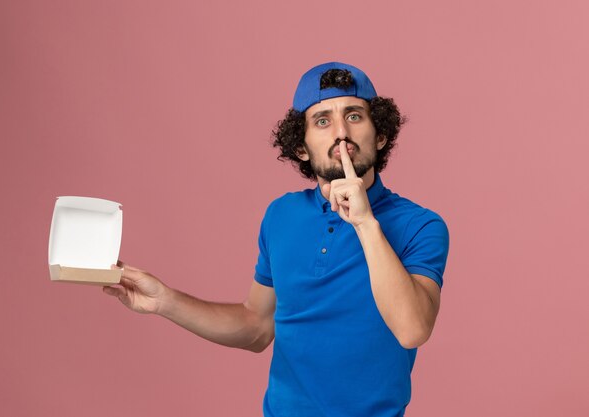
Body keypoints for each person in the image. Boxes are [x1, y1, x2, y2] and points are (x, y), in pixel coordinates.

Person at [103, 62, 450, 417]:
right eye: (322, 121)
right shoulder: (281, 215)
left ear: (380, 135)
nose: (341, 133)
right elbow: (256, 326)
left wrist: (364, 222)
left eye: (355, 116)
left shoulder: (420, 225)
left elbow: (412, 330)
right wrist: (165, 301)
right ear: (301, 147)